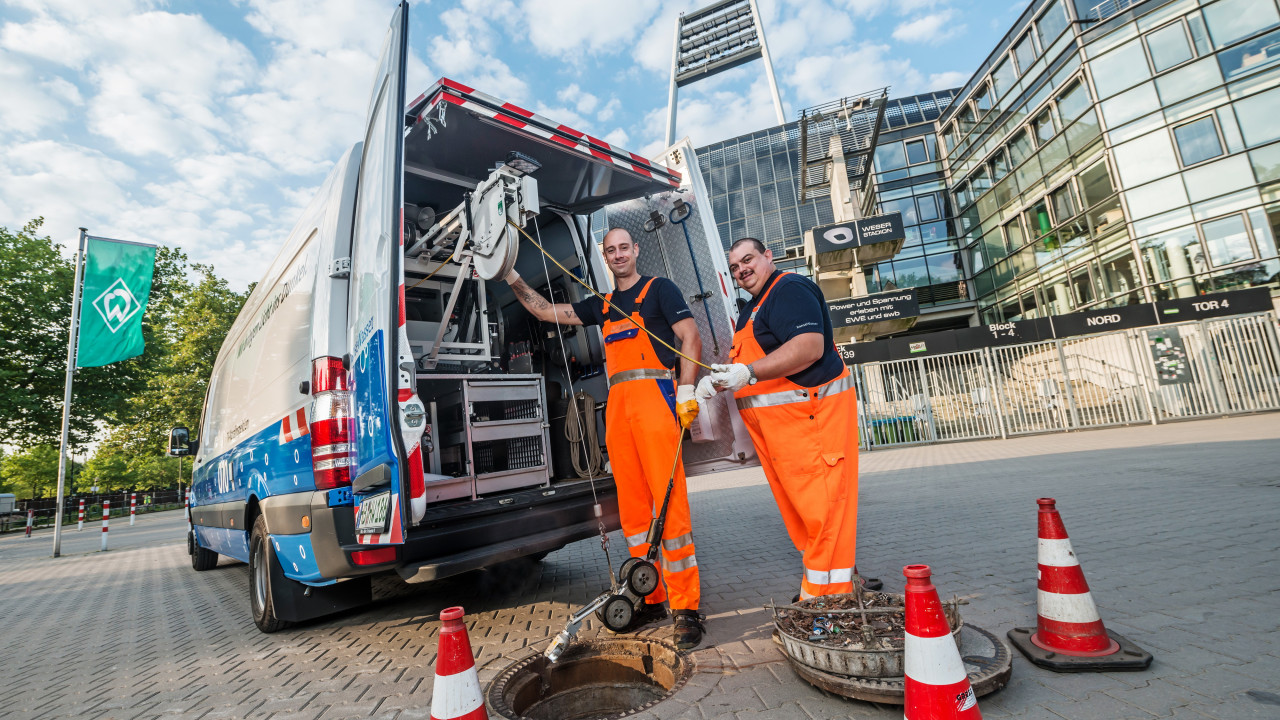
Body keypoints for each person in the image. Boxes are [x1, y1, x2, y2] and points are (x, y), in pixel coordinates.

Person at [504, 227, 706, 649]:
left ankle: (686, 608)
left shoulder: (660, 290)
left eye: (623, 248)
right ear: (606, 255)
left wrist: (686, 390)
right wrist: (510, 276)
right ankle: (648, 594)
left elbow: (690, 336)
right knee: (632, 511)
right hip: (618, 408)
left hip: (655, 398)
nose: (617, 255)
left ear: (635, 251)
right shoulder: (603, 304)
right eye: (610, 250)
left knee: (670, 507)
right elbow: (546, 312)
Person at [699, 237, 867, 601]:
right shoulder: (751, 308)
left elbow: (809, 346)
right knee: (806, 518)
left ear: (768, 256)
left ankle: (828, 601)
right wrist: (720, 381)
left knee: (823, 515)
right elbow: (754, 367)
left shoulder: (788, 288)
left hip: (811, 425)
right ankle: (825, 587)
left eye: (749, 259)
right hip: (785, 439)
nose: (742, 269)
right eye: (735, 267)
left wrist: (747, 372)